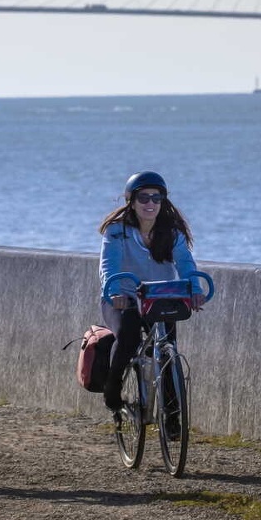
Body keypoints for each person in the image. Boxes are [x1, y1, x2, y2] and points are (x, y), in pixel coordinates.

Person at [98, 170, 207, 425]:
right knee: (127, 335)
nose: (150, 204)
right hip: (122, 298)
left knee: (168, 353)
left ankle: (172, 421)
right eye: (144, 198)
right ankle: (112, 394)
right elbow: (108, 267)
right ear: (132, 202)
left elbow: (186, 264)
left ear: (163, 201)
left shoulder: (172, 233)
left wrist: (195, 288)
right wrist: (114, 292)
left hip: (160, 298)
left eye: (156, 198)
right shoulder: (116, 232)